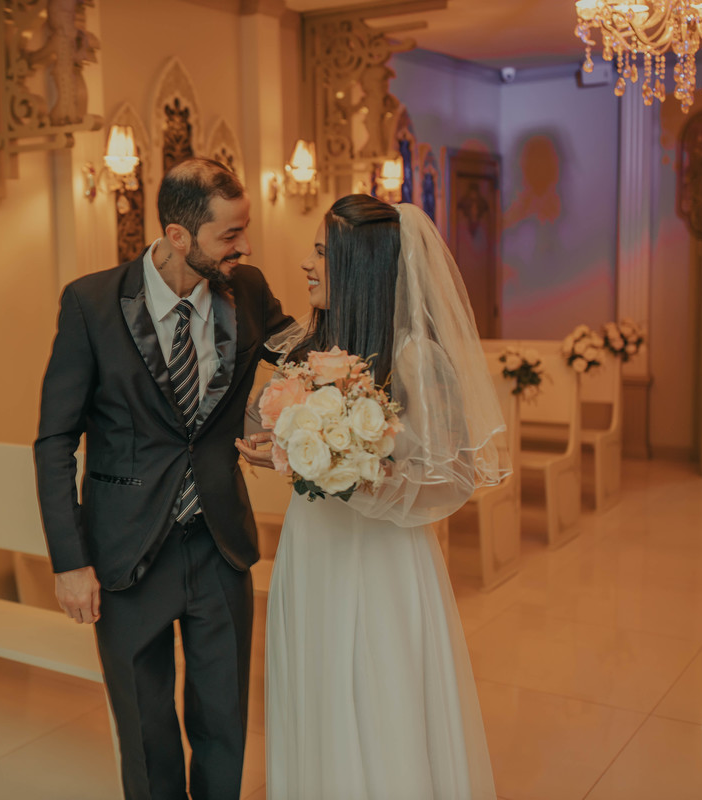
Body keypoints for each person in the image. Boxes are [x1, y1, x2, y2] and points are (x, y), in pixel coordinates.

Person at [33, 158, 293, 800]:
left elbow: (309, 356)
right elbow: (55, 441)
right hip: (125, 552)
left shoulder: (248, 289)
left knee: (223, 721)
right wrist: (70, 561)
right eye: (230, 234)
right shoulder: (91, 303)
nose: (246, 246)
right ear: (179, 235)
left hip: (220, 544)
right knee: (147, 732)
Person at [237, 196, 509, 799]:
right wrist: (284, 448)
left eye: (321, 253)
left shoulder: (415, 356)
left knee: (378, 694)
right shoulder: (318, 344)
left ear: (358, 266)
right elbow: (267, 416)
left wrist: (355, 474)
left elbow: (452, 476)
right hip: (313, 547)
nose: (306, 264)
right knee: (317, 686)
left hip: (379, 558)